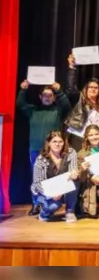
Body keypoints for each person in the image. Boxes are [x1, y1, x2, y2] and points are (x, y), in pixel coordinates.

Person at [17, 79, 72, 216]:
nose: (47, 98)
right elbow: (20, 104)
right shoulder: (33, 111)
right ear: (40, 97)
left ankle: (52, 203)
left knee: (52, 177)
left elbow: (67, 106)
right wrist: (23, 90)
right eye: (45, 95)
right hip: (35, 149)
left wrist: (59, 91)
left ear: (54, 98)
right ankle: (36, 204)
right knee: (37, 178)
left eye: (50, 95)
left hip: (54, 151)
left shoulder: (58, 111)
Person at [30, 131, 80, 223]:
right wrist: (51, 194)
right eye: (54, 141)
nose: (57, 144)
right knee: (53, 206)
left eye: (60, 141)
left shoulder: (71, 152)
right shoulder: (41, 159)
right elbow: (37, 183)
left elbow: (73, 169)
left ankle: (70, 211)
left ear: (64, 142)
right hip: (45, 191)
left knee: (75, 180)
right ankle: (44, 212)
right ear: (48, 143)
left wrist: (74, 173)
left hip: (63, 188)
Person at [65, 53, 99, 151]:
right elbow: (71, 88)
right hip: (79, 136)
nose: (93, 89)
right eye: (90, 87)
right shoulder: (79, 99)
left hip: (97, 139)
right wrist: (72, 68)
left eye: (96, 87)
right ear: (86, 89)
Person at [77, 125, 99, 218]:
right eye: (91, 135)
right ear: (86, 137)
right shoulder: (82, 153)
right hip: (91, 184)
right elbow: (79, 178)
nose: (94, 137)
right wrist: (82, 169)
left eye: (96, 134)